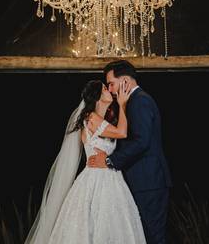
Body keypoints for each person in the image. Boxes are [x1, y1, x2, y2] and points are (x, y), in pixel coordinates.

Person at [25, 78, 146, 244]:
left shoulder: (102, 119)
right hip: (95, 180)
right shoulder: (91, 118)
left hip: (111, 178)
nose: (109, 91)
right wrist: (123, 104)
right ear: (96, 96)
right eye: (104, 88)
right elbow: (122, 133)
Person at [87, 60, 172, 244]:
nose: (109, 89)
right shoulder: (131, 102)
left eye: (111, 83)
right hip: (142, 181)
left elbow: (141, 141)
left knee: (153, 237)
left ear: (125, 81)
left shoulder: (139, 101)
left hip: (148, 182)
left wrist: (109, 161)